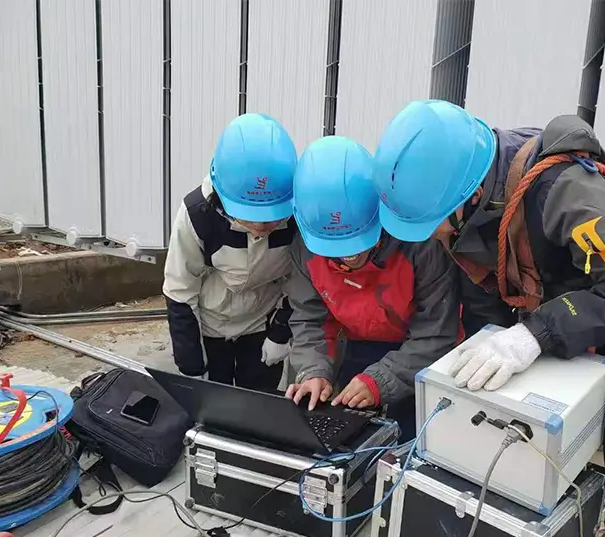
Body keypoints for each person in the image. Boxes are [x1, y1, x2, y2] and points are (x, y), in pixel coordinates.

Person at [371, 100, 605, 537]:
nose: (432, 235)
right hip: (542, 310)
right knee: (479, 371)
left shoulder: (563, 190)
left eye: (434, 221)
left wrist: (533, 335)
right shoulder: (468, 203)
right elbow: (484, 300)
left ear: (469, 194)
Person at [284, 135, 460, 441]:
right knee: (353, 439)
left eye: (357, 243)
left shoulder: (422, 245)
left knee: (413, 446)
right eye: (335, 248)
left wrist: (381, 380)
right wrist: (312, 371)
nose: (348, 257)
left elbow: (437, 333)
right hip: (360, 344)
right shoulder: (306, 247)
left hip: (424, 354)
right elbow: (309, 319)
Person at [163, 113, 297, 392]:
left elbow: (299, 283)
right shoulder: (198, 214)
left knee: (260, 406)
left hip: (263, 322)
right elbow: (179, 289)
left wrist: (281, 332)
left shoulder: (297, 217)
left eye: (271, 217)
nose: (261, 227)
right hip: (211, 324)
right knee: (214, 410)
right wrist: (191, 366)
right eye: (251, 217)